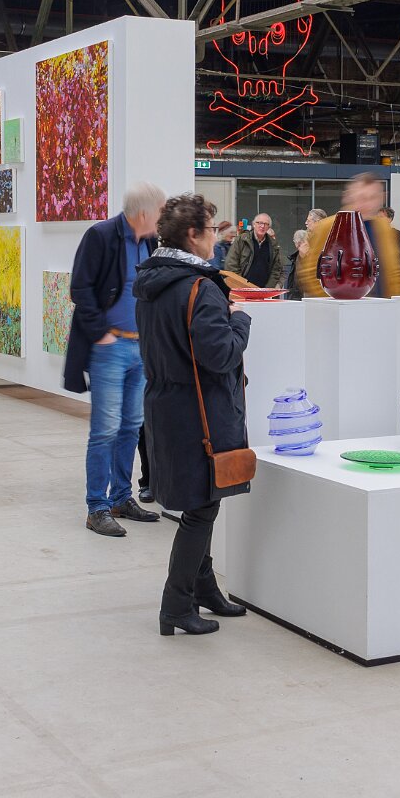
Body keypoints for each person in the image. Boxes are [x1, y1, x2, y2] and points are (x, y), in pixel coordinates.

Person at [135, 192, 253, 637]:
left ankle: (205, 589)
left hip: (167, 406)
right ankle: (176, 606)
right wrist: (240, 320)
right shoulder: (199, 288)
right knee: (202, 510)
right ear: (192, 235)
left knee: (203, 503)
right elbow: (220, 355)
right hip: (200, 413)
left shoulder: (153, 283)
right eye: (210, 231)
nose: (215, 239)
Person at [65, 183, 167, 538]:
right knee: (105, 430)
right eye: (160, 211)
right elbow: (80, 289)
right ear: (144, 213)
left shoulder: (150, 241)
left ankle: (121, 498)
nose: (162, 218)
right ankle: (97, 507)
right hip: (109, 349)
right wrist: (101, 334)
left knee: (131, 426)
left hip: (140, 348)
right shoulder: (101, 236)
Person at [297, 173, 400, 298]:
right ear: (348, 197)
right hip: (340, 304)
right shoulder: (327, 227)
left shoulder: (383, 230)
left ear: (381, 199)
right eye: (362, 197)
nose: (368, 204)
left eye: (373, 198)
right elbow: (312, 271)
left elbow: (393, 272)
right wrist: (333, 302)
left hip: (382, 305)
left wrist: (395, 301)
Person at [224, 212, 287, 290]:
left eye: (266, 224)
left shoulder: (273, 245)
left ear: (268, 227)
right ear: (253, 224)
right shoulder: (241, 240)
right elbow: (231, 264)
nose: (262, 226)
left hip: (264, 291)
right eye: (259, 223)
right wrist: (241, 285)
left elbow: (276, 270)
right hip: (242, 289)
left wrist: (268, 289)